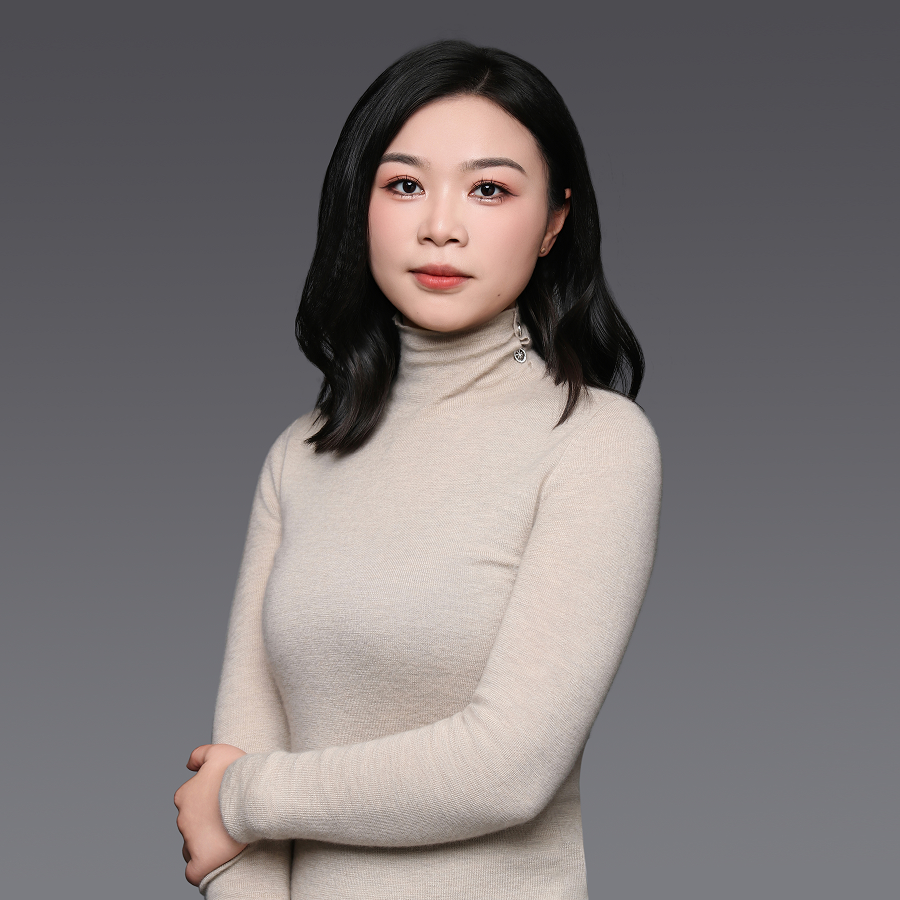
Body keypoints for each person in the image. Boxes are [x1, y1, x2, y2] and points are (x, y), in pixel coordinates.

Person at [174, 39, 662, 900]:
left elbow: (506, 771)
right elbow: (237, 782)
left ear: (554, 221)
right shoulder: (301, 453)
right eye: (404, 185)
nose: (441, 225)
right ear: (360, 205)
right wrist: (237, 825)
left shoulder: (595, 442)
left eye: (489, 189)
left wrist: (247, 798)